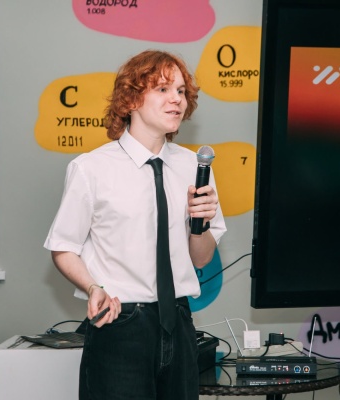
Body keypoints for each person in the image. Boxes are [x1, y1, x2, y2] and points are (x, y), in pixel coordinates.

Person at [44, 50, 227, 400]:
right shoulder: (91, 168)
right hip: (120, 325)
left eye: (181, 91)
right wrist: (93, 287)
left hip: (180, 322)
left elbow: (201, 258)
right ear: (131, 99)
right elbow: (63, 247)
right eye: (163, 89)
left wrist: (200, 224)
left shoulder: (195, 167)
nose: (176, 99)